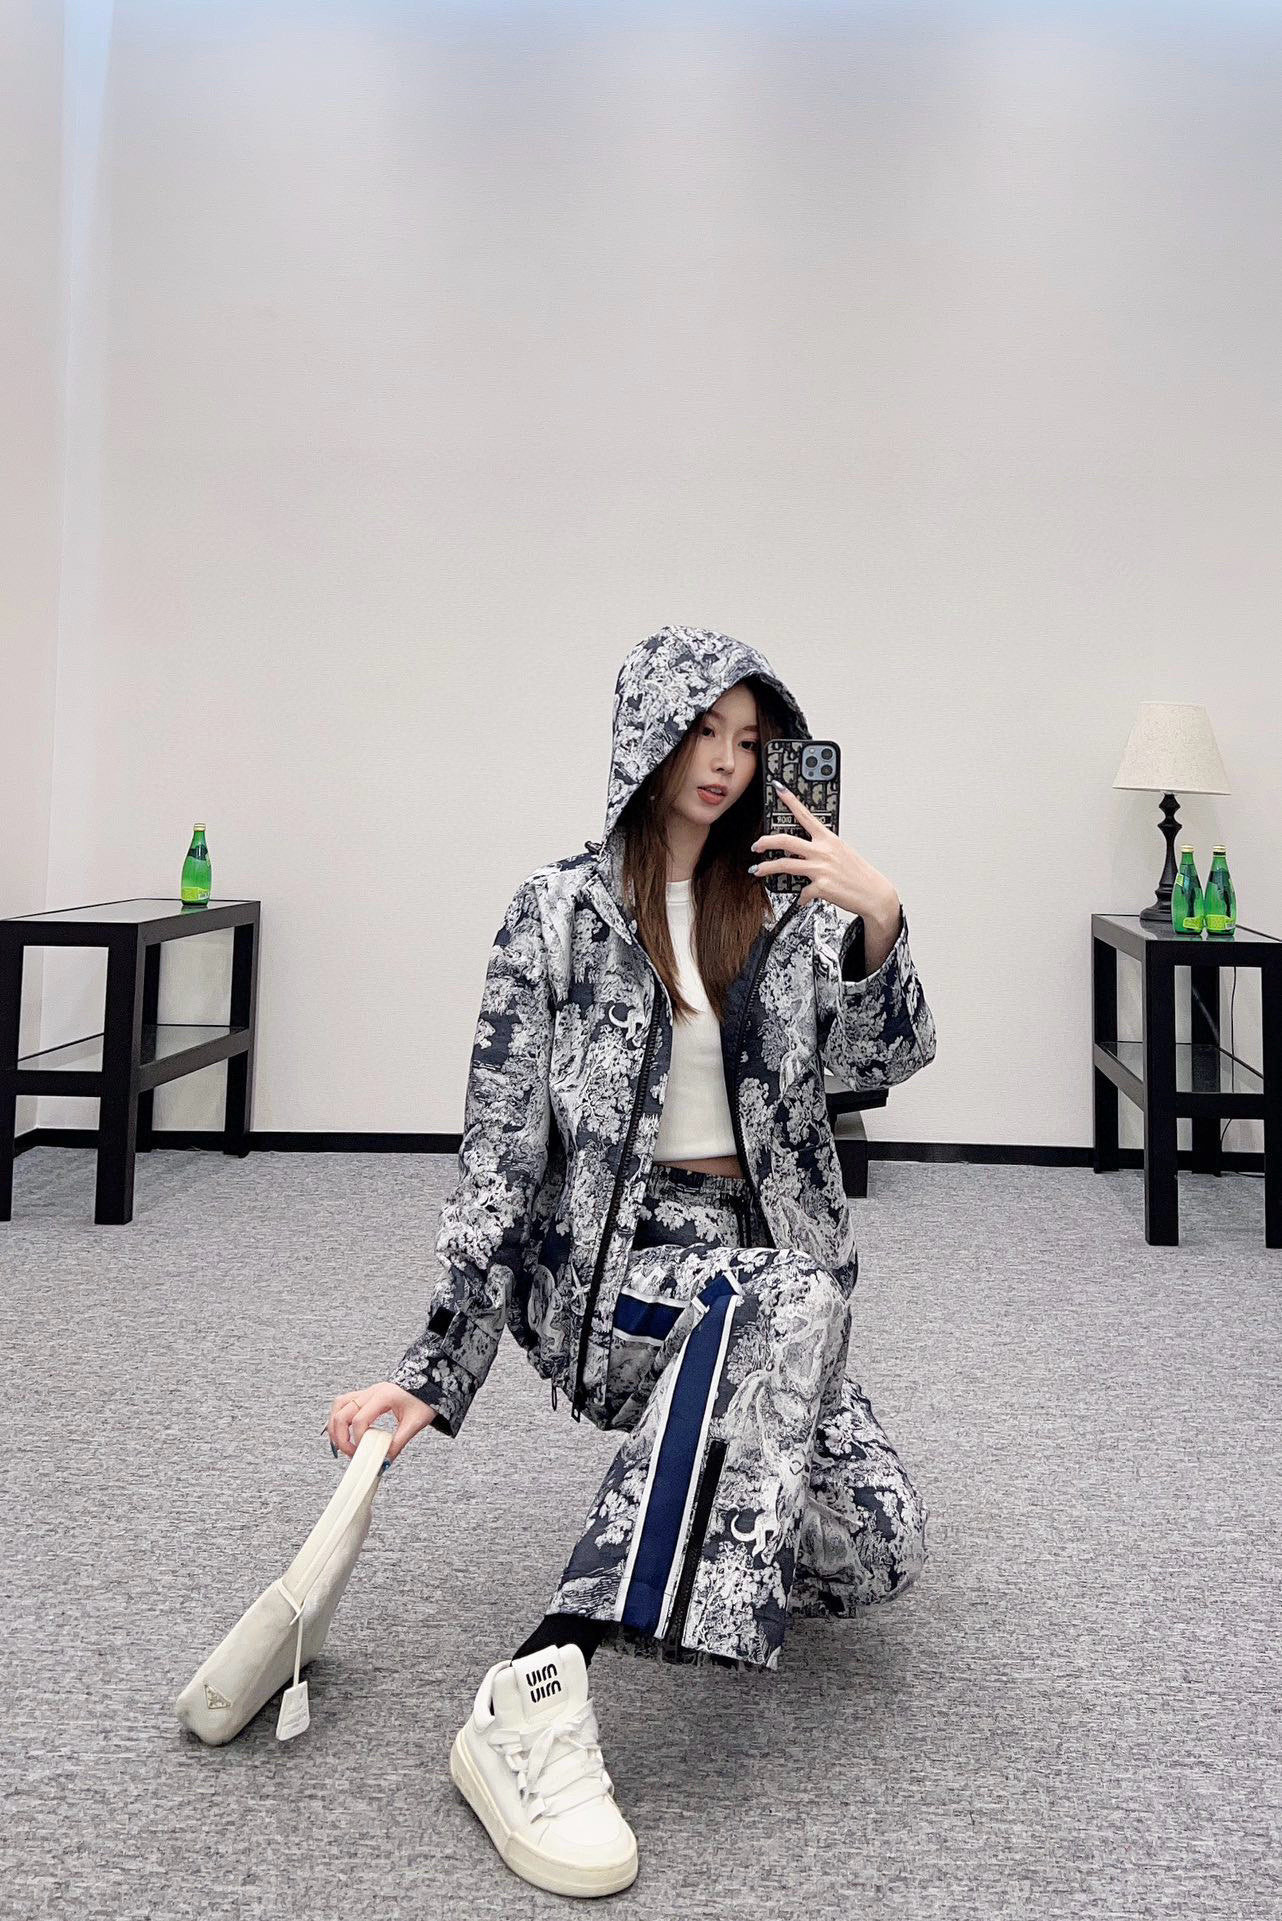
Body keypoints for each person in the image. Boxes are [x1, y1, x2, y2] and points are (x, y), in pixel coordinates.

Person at [325, 623, 938, 1898]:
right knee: (789, 1300)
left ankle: (698, 1480)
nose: (723, 762)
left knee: (879, 1543)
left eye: (748, 741)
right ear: (645, 738)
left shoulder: (783, 905)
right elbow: (498, 1156)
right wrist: (434, 1366)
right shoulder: (556, 913)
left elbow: (879, 1065)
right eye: (700, 731)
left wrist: (877, 918)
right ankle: (541, 1676)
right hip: (617, 1283)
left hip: (768, 1281)